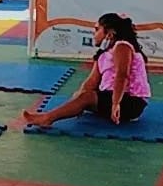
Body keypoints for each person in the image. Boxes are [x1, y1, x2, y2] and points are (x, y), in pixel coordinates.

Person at [23, 12, 151, 127]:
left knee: (87, 97)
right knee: (82, 95)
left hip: (132, 102)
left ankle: (47, 118)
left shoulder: (122, 46)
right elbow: (92, 81)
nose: (94, 34)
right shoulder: (103, 53)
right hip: (113, 96)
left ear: (110, 33)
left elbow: (122, 76)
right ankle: (58, 113)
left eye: (97, 29)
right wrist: (78, 97)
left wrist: (115, 104)